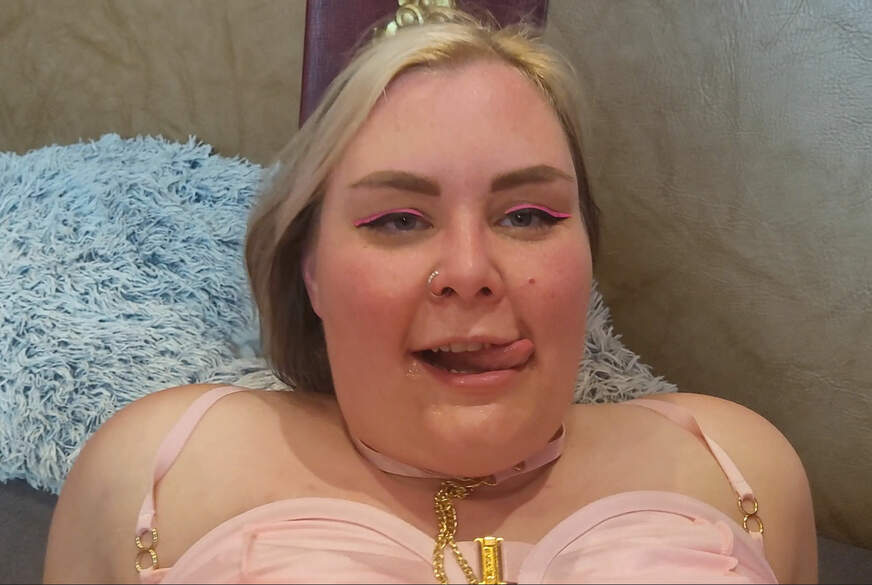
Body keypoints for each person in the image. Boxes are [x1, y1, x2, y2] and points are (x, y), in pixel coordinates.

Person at [43, 5, 817, 584]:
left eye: (527, 215)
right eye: (398, 220)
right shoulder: (150, 469)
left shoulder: (741, 467)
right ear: (311, 271)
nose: (470, 268)